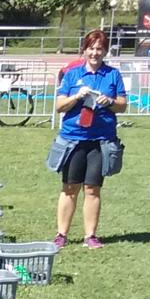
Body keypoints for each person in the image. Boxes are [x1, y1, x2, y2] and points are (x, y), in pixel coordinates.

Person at [49, 29, 127, 250]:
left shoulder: (112, 75)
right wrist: (76, 96)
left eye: (99, 49)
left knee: (92, 188)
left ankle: (90, 235)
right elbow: (58, 106)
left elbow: (122, 105)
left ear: (105, 51)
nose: (95, 53)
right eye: (91, 48)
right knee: (70, 187)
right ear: (84, 50)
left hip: (100, 140)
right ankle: (61, 234)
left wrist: (109, 101)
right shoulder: (72, 75)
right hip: (73, 139)